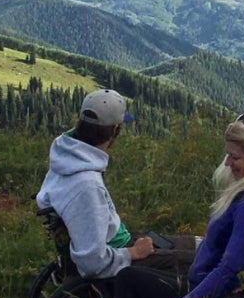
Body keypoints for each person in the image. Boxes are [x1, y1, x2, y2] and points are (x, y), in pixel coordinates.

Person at [113, 114, 244, 298]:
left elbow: (229, 270)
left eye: (235, 157)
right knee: (142, 289)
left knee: (129, 280)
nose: (227, 163)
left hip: (216, 293)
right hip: (203, 280)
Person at [36, 89, 195, 280]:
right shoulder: (86, 185)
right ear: (115, 130)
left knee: (204, 244)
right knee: (206, 261)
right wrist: (133, 253)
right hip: (119, 258)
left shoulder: (65, 158)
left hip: (120, 242)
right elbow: (93, 262)